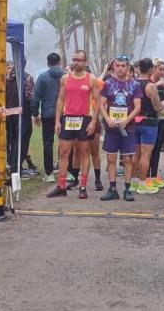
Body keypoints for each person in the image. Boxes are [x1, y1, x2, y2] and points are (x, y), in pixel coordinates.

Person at [48, 50, 100, 199]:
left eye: (79, 60)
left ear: (85, 62)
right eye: (74, 59)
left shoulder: (92, 79)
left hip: (84, 119)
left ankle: (83, 187)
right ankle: (61, 186)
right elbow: (61, 99)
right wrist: (57, 120)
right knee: (64, 152)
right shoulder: (65, 78)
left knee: (84, 152)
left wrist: (94, 121)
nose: (76, 62)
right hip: (68, 119)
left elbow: (97, 103)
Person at [97, 55, 142, 201]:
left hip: (128, 128)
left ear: (128, 68)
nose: (120, 68)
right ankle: (112, 188)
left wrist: (127, 120)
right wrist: (107, 119)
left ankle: (127, 189)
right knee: (111, 158)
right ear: (113, 67)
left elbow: (137, 107)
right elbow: (101, 104)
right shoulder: (108, 84)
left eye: (123, 66)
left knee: (127, 159)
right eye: (118, 65)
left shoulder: (134, 85)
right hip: (111, 128)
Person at [134, 58, 164, 194]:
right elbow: (157, 106)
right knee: (146, 155)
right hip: (149, 122)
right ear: (150, 70)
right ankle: (143, 183)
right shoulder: (150, 86)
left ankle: (133, 182)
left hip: (135, 122)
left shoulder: (133, 83)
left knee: (135, 155)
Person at [32, 53, 66, 183]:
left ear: (47, 63)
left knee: (48, 143)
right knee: (66, 143)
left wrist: (35, 114)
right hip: (64, 115)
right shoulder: (66, 76)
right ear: (60, 62)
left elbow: (36, 98)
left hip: (47, 115)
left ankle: (49, 173)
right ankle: (68, 171)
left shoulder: (42, 77)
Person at [5, 61, 36, 176]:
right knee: (22, 141)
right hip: (23, 114)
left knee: (12, 140)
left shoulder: (6, 78)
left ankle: (12, 164)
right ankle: (16, 168)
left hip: (8, 113)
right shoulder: (27, 78)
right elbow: (30, 96)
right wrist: (35, 112)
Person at [148, 59, 164, 181]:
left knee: (157, 148)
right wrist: (157, 85)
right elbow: (146, 96)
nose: (162, 72)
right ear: (154, 69)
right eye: (160, 69)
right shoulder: (150, 82)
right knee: (148, 149)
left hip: (163, 118)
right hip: (151, 119)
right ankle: (145, 177)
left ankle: (154, 176)